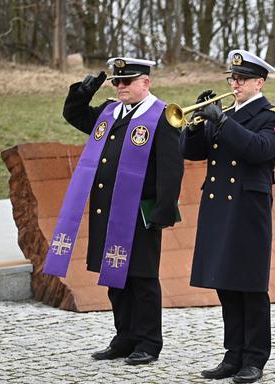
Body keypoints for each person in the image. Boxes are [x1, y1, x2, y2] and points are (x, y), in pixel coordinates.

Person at [48, 57, 183, 365]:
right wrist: (83, 92)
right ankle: (125, 337)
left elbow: (171, 168)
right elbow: (74, 114)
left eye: (127, 81)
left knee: (142, 277)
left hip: (139, 212)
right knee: (115, 276)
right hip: (107, 209)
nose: (121, 86)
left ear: (145, 83)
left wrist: (164, 210)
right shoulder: (108, 112)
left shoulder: (161, 116)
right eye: (117, 82)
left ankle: (148, 342)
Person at [179, 50, 275, 384]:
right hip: (218, 207)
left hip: (248, 209)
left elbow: (259, 149)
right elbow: (190, 152)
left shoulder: (273, 117)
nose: (235, 83)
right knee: (225, 282)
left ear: (260, 81)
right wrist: (197, 123)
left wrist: (222, 122)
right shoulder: (223, 114)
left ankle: (255, 357)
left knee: (250, 285)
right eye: (232, 78)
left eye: (242, 79)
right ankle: (233, 354)